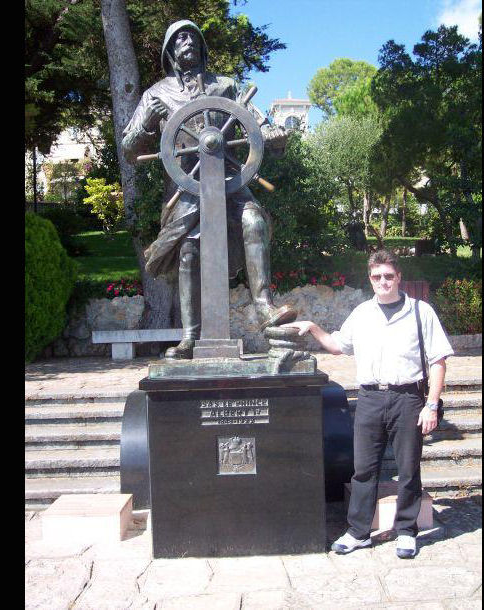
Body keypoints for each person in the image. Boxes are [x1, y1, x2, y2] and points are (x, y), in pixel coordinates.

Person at [122, 20, 296, 359]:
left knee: (254, 222)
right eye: (178, 38)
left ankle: (264, 307)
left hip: (230, 181)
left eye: (192, 36)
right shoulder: (156, 94)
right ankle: (190, 336)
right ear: (169, 51)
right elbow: (129, 149)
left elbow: (256, 124)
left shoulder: (225, 86)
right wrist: (146, 124)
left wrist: (272, 135)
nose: (186, 41)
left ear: (202, 46)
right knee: (188, 252)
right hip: (186, 188)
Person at [284, 250, 454, 558]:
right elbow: (338, 345)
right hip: (370, 399)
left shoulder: (421, 312)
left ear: (398, 277)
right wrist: (313, 327)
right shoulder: (362, 313)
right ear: (370, 279)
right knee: (363, 469)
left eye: (389, 276)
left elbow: (438, 361)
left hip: (408, 399)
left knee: (408, 469)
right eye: (377, 276)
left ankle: (406, 531)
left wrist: (431, 405)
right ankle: (358, 532)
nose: (383, 281)